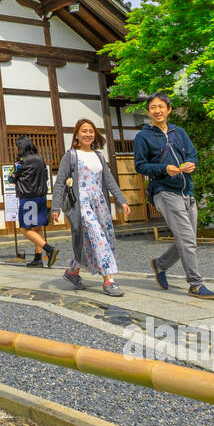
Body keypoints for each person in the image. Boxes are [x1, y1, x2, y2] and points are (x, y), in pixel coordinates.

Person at [134, 92, 214, 299]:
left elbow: (192, 154)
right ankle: (196, 284)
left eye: (161, 106)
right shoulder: (143, 137)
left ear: (169, 109)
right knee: (187, 240)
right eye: (153, 107)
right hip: (164, 191)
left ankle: (160, 264)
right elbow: (140, 165)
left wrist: (191, 164)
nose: (157, 110)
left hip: (186, 190)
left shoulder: (179, 132)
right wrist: (164, 169)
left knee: (187, 239)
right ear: (148, 111)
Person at [51, 118, 130, 295]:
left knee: (94, 240)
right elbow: (60, 183)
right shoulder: (71, 156)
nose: (88, 134)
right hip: (81, 204)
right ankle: (109, 280)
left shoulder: (99, 156)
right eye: (84, 131)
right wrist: (55, 207)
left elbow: (108, 180)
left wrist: (121, 200)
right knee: (97, 236)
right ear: (77, 135)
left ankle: (73, 272)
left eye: (91, 131)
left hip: (100, 204)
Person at [10, 135, 58, 267]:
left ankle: (49, 249)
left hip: (27, 198)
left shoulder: (20, 162)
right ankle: (38, 258)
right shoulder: (40, 160)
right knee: (37, 228)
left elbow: (11, 178)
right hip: (41, 196)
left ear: (21, 147)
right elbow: (46, 176)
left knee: (24, 228)